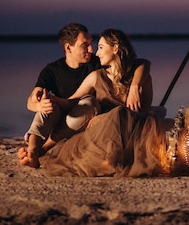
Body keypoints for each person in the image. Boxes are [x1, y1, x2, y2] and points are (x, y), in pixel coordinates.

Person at [39, 29, 169, 177]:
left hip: (137, 133)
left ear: (115, 48)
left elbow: (142, 109)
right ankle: (106, 160)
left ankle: (112, 161)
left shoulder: (140, 77)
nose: (97, 53)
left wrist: (133, 87)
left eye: (101, 47)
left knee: (120, 113)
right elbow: (72, 102)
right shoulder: (96, 77)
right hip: (102, 136)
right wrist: (54, 100)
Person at [18, 24, 150, 168]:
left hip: (85, 119)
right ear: (68, 48)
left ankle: (39, 151)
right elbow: (32, 100)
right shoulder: (51, 71)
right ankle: (32, 150)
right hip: (63, 114)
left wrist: (135, 87)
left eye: (93, 45)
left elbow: (141, 63)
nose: (92, 50)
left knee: (88, 102)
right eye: (85, 45)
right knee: (47, 105)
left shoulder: (96, 63)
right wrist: (40, 103)